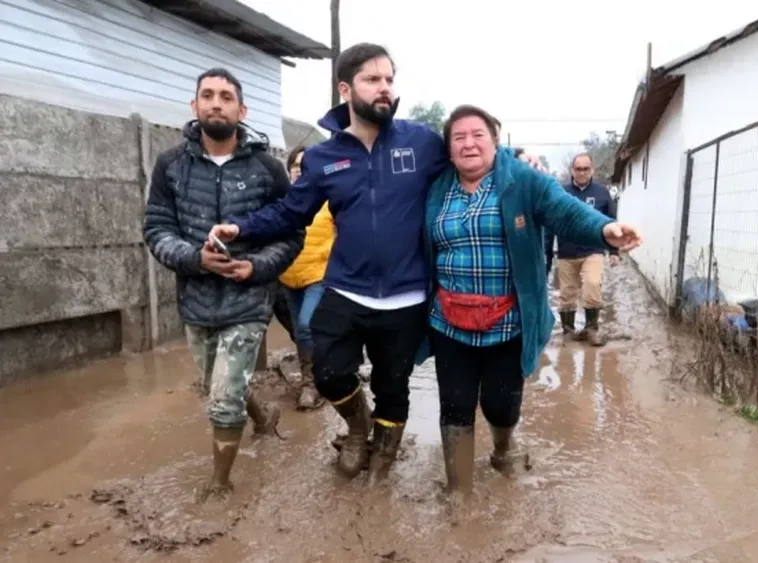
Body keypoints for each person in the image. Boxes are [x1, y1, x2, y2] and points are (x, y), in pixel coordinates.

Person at [207, 43, 544, 483]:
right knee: (328, 372)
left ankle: (383, 454)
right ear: (345, 88)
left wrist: (519, 163)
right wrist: (242, 229)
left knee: (393, 386)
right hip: (346, 288)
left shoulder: (421, 141)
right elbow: (292, 212)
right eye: (373, 79)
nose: (385, 88)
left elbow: (473, 156)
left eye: (389, 79)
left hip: (407, 296)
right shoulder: (325, 158)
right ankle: (357, 428)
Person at [425, 105, 643, 497]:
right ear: (448, 149)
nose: (469, 143)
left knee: (500, 404)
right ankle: (458, 494)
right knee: (454, 406)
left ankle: (504, 449)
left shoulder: (522, 180)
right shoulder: (436, 187)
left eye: (478, 135)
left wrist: (605, 228)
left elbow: (564, 210)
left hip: (508, 322)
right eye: (459, 137)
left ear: (496, 140)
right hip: (449, 321)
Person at [143, 68, 304, 499]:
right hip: (195, 301)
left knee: (223, 396)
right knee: (219, 384)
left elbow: (290, 234)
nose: (217, 103)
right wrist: (195, 259)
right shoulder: (171, 166)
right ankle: (263, 416)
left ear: (242, 109)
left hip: (249, 299)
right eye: (208, 95)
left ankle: (219, 485)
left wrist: (257, 267)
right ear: (194, 106)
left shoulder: (268, 169)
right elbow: (157, 229)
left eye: (227, 96)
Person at [277, 145, 336, 410]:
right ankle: (313, 379)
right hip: (289, 278)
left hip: (319, 275)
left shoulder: (329, 201)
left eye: (306, 165)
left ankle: (316, 383)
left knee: (305, 325)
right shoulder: (281, 203)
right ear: (289, 170)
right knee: (301, 334)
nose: (300, 169)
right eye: (296, 165)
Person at [545, 153, 619, 346]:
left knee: (593, 284)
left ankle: (591, 329)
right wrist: (547, 254)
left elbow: (611, 223)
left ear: (592, 170)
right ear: (572, 171)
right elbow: (551, 222)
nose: (582, 172)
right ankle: (568, 331)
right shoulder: (561, 192)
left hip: (593, 250)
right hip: (566, 252)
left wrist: (614, 252)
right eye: (578, 169)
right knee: (567, 293)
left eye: (586, 169)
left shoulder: (602, 193)